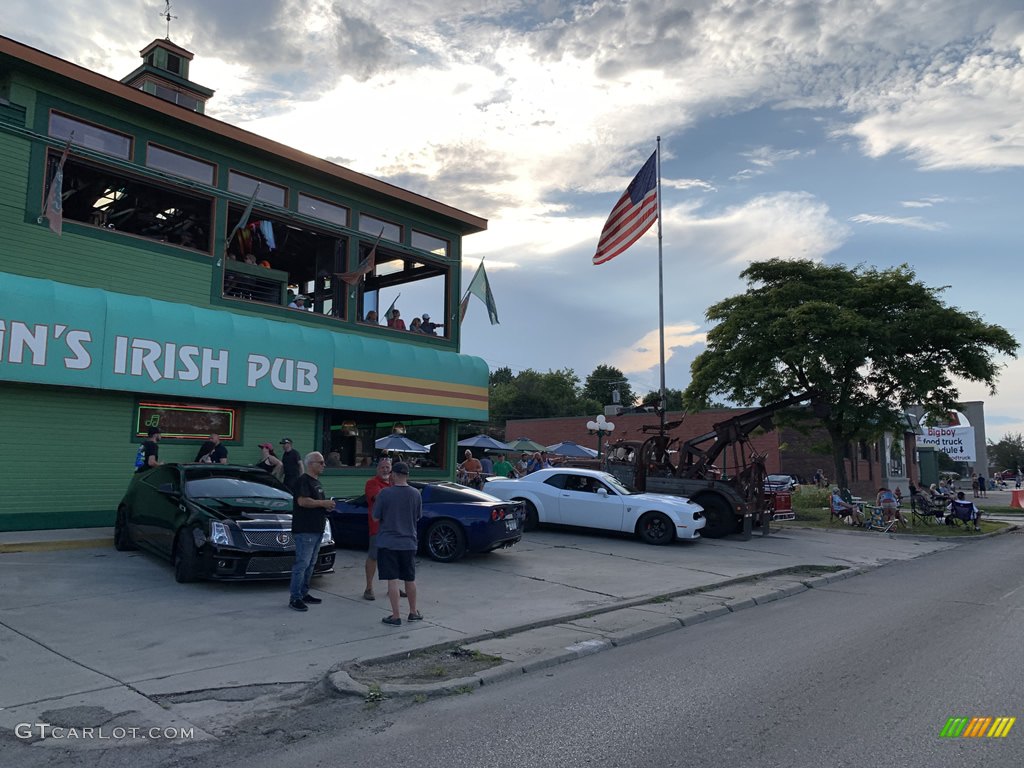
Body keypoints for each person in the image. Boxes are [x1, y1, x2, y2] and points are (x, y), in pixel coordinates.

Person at [373, 461, 422, 625]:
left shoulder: (385, 494)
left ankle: (395, 616)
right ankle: (413, 612)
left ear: (393, 475)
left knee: (392, 580)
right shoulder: (416, 494)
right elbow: (417, 516)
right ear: (407, 475)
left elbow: (375, 517)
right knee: (410, 578)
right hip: (408, 542)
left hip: (388, 542)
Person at [288, 452, 334, 612]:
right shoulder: (303, 481)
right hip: (305, 530)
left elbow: (316, 503)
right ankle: (295, 598)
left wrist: (326, 505)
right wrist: (323, 503)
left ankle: (303, 592)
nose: (323, 465)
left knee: (311, 564)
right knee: (302, 564)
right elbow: (302, 501)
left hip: (317, 529)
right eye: (320, 462)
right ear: (311, 464)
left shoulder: (316, 483)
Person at [363, 457, 392, 601]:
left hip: (393, 527)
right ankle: (368, 588)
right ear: (377, 469)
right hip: (377, 527)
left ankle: (392, 588)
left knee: (392, 557)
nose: (385, 470)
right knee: (373, 556)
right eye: (382, 467)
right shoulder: (372, 483)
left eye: (388, 467)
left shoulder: (394, 483)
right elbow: (377, 497)